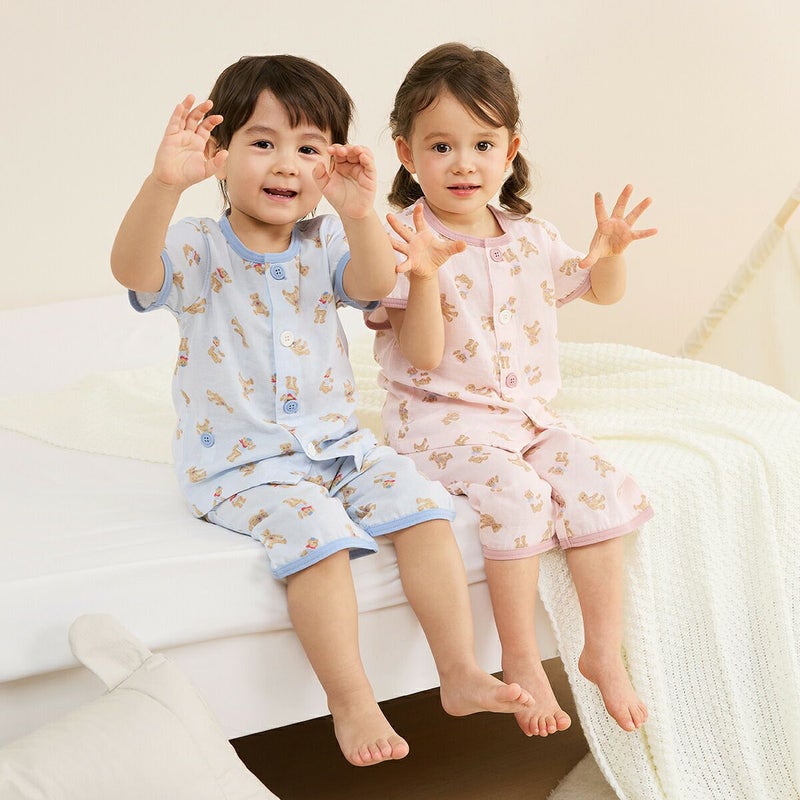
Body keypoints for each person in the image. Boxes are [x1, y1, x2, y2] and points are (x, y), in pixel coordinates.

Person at [110, 53, 533, 767]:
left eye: (309, 148)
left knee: (425, 509)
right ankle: (352, 699)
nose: (286, 164)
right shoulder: (196, 245)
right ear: (219, 154)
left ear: (330, 163)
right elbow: (132, 270)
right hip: (245, 466)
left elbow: (372, 284)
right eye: (262, 142)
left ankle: (460, 671)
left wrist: (360, 211)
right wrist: (163, 184)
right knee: (320, 537)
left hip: (339, 447)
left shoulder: (326, 239)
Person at [367, 42, 657, 737]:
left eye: (482, 144)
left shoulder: (531, 236)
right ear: (407, 154)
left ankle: (601, 651)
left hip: (524, 415)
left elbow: (599, 291)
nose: (463, 163)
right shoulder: (402, 241)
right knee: (519, 495)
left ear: (510, 150)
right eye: (441, 146)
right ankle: (521, 658)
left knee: (596, 481)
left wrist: (611, 253)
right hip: (441, 420)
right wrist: (425, 274)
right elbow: (419, 350)